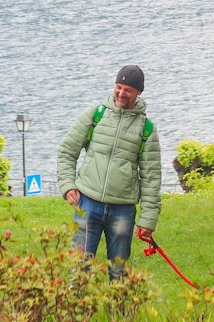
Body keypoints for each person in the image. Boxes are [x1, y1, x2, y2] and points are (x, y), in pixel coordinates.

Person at [57, 64, 161, 277]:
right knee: (78, 268)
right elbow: (67, 151)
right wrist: (67, 185)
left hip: (122, 210)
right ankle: (76, 310)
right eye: (118, 87)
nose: (121, 93)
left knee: (119, 272)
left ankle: (119, 312)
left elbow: (151, 177)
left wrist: (148, 219)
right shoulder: (95, 115)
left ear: (139, 92)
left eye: (128, 90)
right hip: (86, 204)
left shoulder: (147, 129)